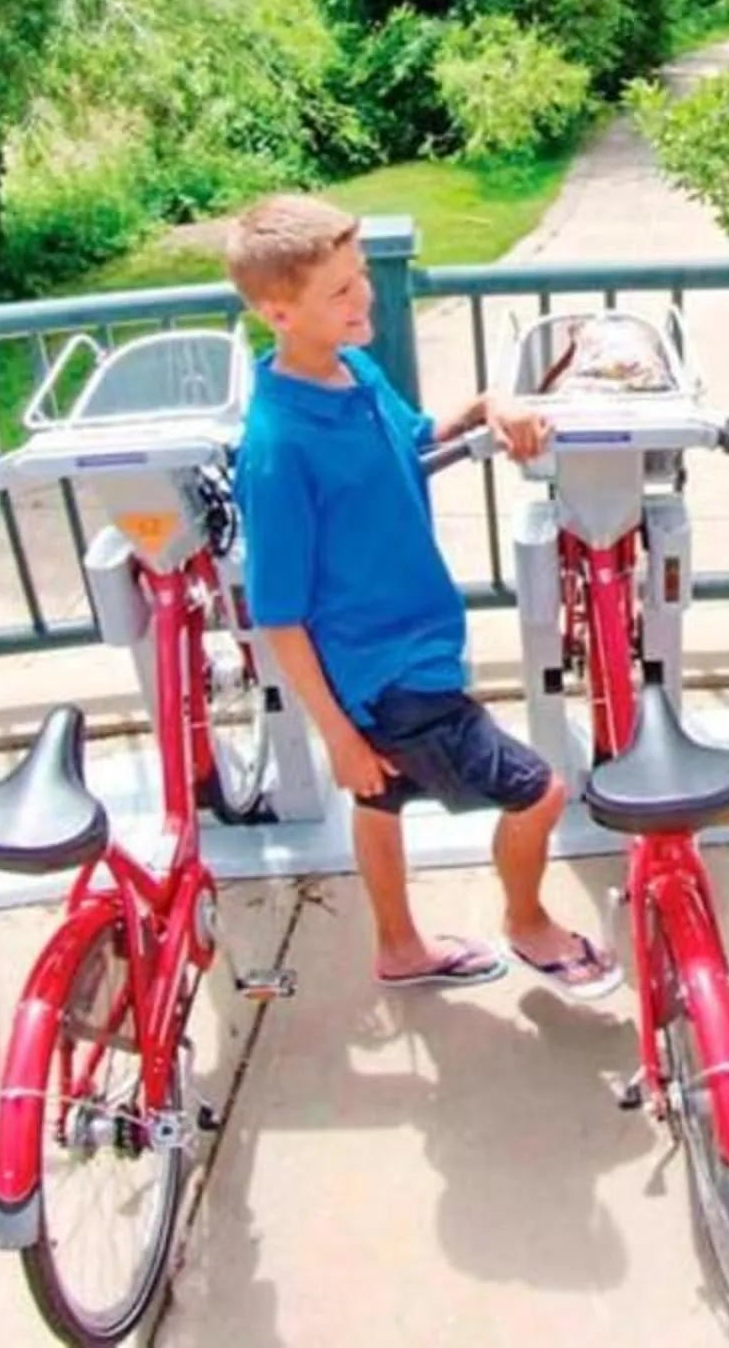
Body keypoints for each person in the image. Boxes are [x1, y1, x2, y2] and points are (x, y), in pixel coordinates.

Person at [224, 193, 622, 997]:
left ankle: (401, 948)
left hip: (408, 650)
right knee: (539, 792)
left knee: (383, 800)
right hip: (391, 679)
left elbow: (412, 438)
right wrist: (337, 734)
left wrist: (490, 403)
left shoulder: (353, 370)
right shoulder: (276, 448)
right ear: (276, 310)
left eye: (360, 276)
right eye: (337, 292)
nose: (362, 298)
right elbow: (277, 613)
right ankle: (528, 925)